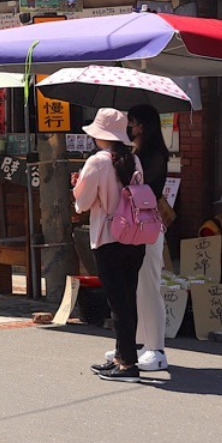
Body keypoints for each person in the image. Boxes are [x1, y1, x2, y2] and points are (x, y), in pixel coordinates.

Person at [74, 108, 147, 383]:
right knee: (127, 298)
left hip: (108, 237)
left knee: (118, 302)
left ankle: (128, 364)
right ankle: (121, 357)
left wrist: (78, 185)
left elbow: (82, 203)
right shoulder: (134, 160)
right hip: (134, 237)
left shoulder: (98, 161)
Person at [115, 104, 170, 371]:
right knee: (135, 286)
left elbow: (142, 187)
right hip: (135, 225)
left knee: (149, 284)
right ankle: (137, 343)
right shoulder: (137, 152)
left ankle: (156, 347)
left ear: (143, 126)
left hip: (147, 225)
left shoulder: (155, 155)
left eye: (132, 122)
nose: (129, 127)